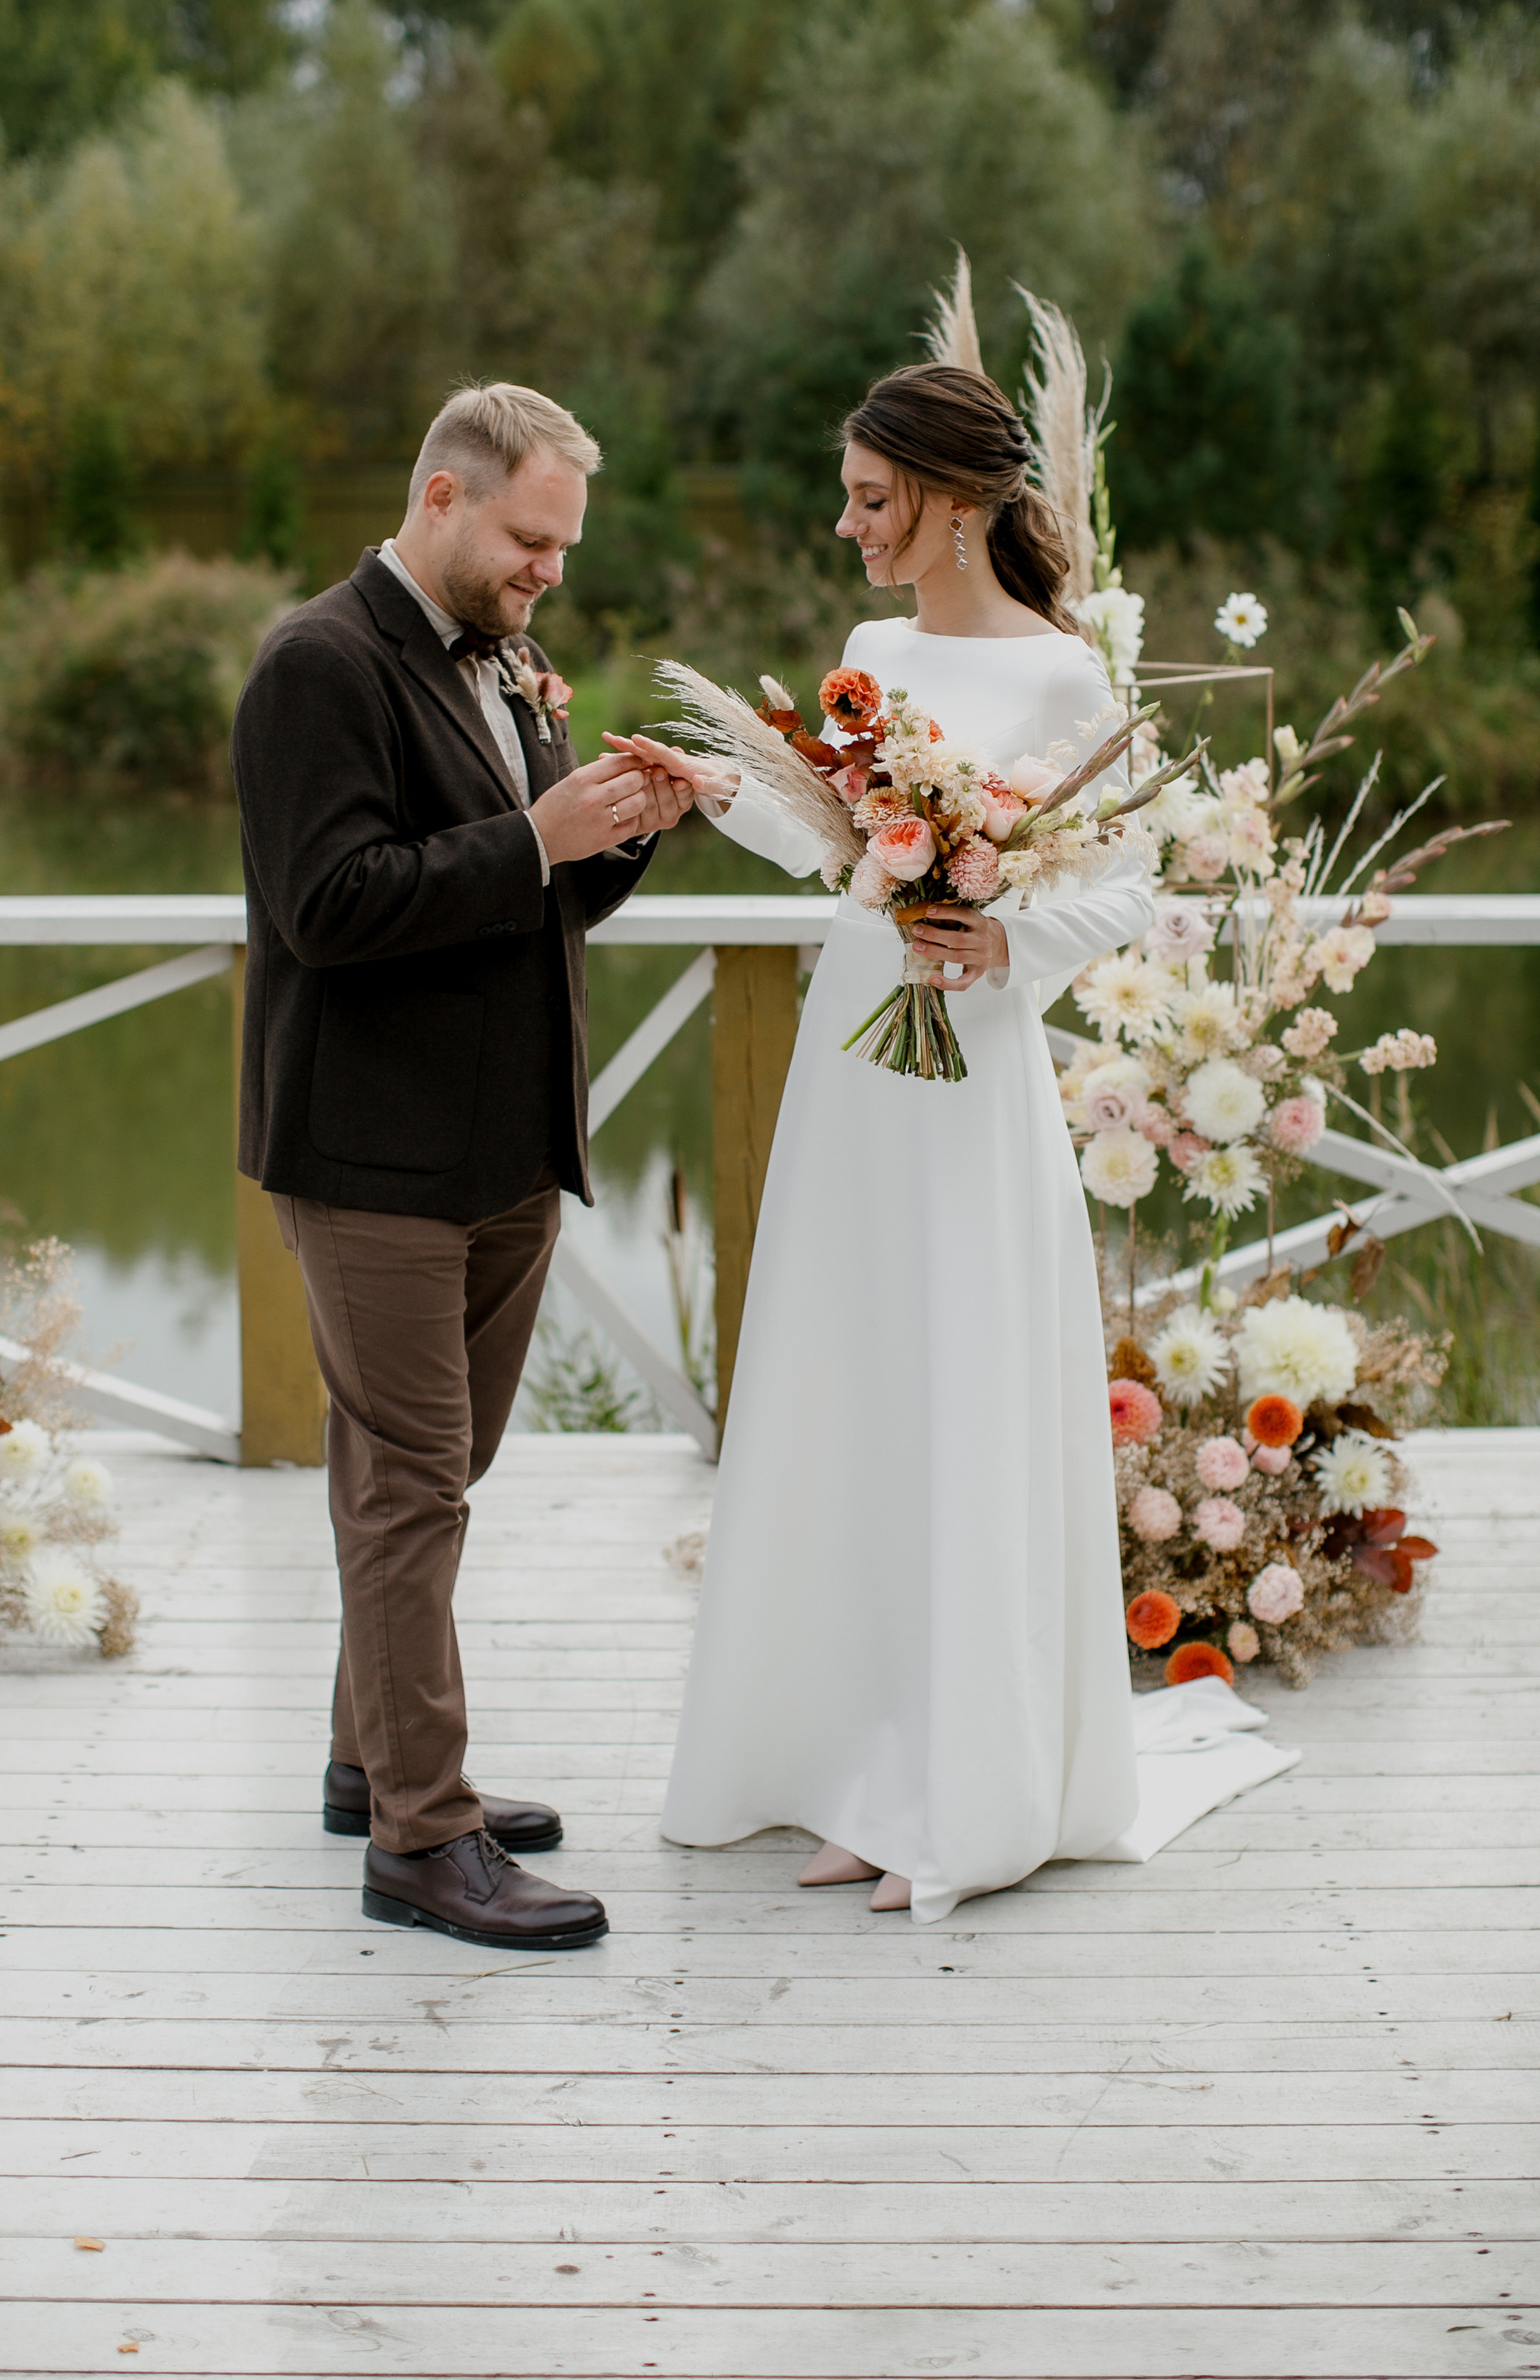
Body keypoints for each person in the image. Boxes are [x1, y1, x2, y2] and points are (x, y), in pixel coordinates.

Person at [625, 358, 1156, 1921]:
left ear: (952, 503)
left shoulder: (1064, 678)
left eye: (869, 499)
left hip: (969, 1063)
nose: (845, 525)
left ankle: (952, 1781)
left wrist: (1008, 943)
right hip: (855, 1056)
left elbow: (1131, 889)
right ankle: (855, 1763)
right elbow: (834, 843)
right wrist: (718, 785)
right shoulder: (866, 649)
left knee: (959, 1389)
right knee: (851, 1388)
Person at [231, 381, 694, 1953]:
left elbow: (532, 902)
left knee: (432, 1471)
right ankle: (423, 1841)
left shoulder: (499, 659)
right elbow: (330, 907)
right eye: (527, 536)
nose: (549, 568)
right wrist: (537, 837)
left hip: (503, 1148)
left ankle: (374, 1762)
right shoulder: (316, 664)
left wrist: (624, 832)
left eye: (562, 544)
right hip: (371, 1155)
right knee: (411, 1489)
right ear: (441, 494)